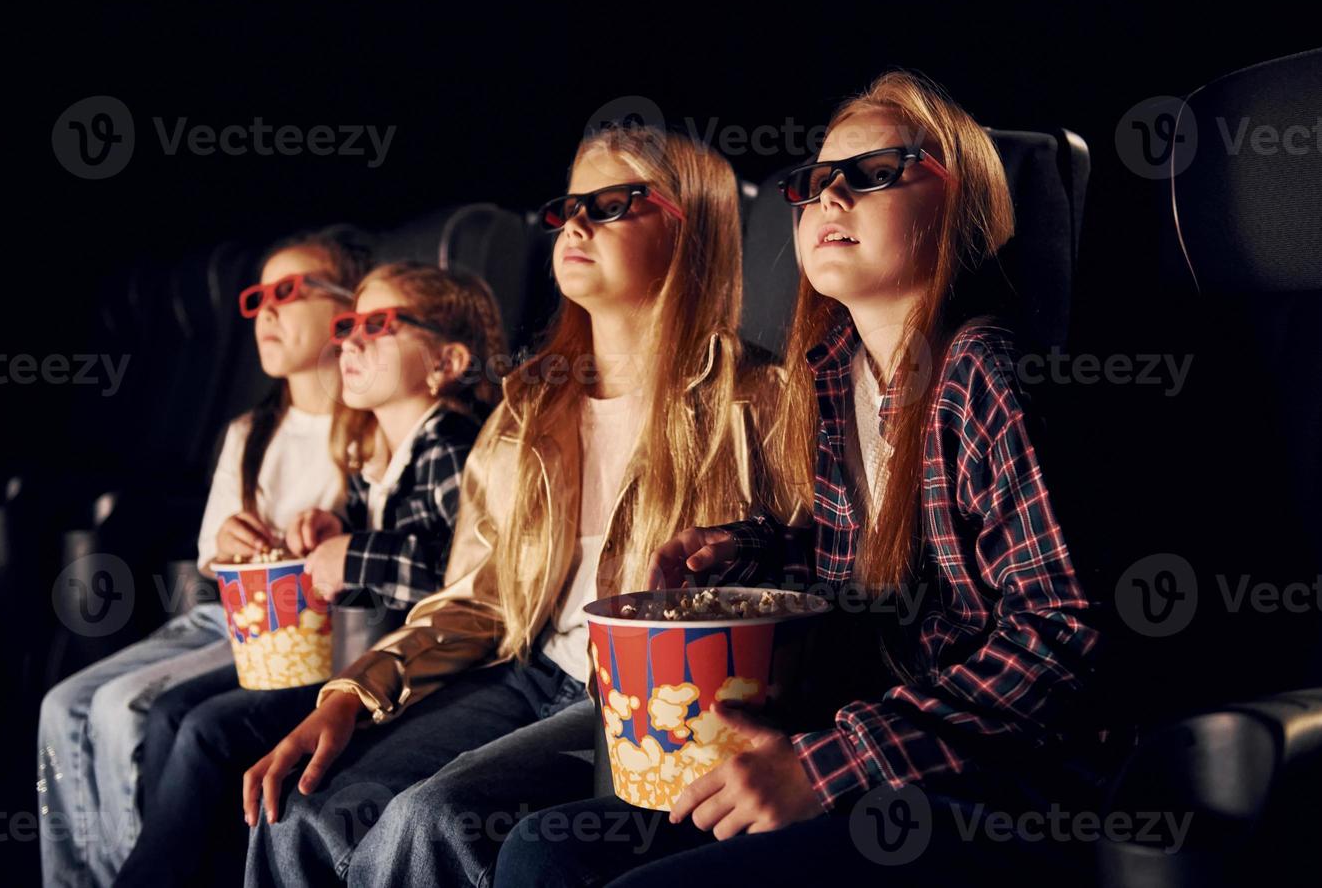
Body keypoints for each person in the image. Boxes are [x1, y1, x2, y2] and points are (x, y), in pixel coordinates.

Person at [494, 71, 1106, 888]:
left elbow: (1061, 640)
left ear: (967, 204)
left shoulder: (984, 372)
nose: (830, 198)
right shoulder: (828, 377)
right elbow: (851, 576)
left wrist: (827, 768)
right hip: (861, 746)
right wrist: (739, 557)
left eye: (873, 172)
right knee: (542, 850)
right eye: (816, 183)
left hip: (988, 788)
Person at [241, 124, 801, 888]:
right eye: (570, 205)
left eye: (612, 204)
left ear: (691, 223)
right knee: (303, 808)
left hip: (637, 699)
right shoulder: (530, 403)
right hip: (524, 670)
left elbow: (801, 579)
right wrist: (352, 691)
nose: (574, 223)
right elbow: (479, 597)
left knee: (431, 820)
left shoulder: (758, 399)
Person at [113, 261, 503, 887]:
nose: (349, 341)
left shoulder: (454, 446)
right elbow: (371, 559)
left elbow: (469, 582)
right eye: (348, 325)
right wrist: (328, 533)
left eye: (378, 326)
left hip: (429, 673)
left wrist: (353, 555)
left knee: (211, 732)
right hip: (373, 661)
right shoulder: (380, 459)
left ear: (446, 362)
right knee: (180, 716)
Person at [37, 227, 369, 887]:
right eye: (258, 298)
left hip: (299, 633)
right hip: (229, 616)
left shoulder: (365, 429)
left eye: (288, 291)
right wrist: (228, 545)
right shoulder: (250, 432)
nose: (266, 310)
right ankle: (84, 877)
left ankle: (144, 866)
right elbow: (211, 555)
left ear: (347, 310)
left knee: (120, 706)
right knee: (62, 703)